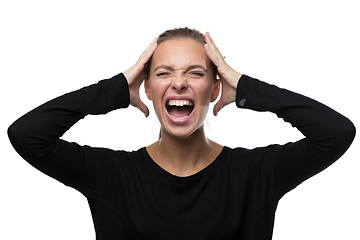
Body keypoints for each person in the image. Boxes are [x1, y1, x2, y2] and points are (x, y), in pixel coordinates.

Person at [8, 27, 356, 240]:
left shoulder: (256, 174)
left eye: (195, 72)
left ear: (215, 86)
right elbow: (27, 135)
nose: (178, 83)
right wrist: (114, 89)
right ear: (145, 87)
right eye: (163, 72)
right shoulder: (110, 175)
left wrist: (247, 87)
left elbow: (336, 133)